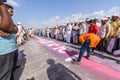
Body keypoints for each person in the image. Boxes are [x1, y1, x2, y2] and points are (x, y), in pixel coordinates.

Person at [0, 3, 18, 80]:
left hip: (12, 49)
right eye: (11, 11)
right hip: (4, 52)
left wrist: (10, 30)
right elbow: (9, 27)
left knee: (10, 73)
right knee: (5, 76)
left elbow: (15, 29)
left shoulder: (10, 20)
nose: (13, 13)